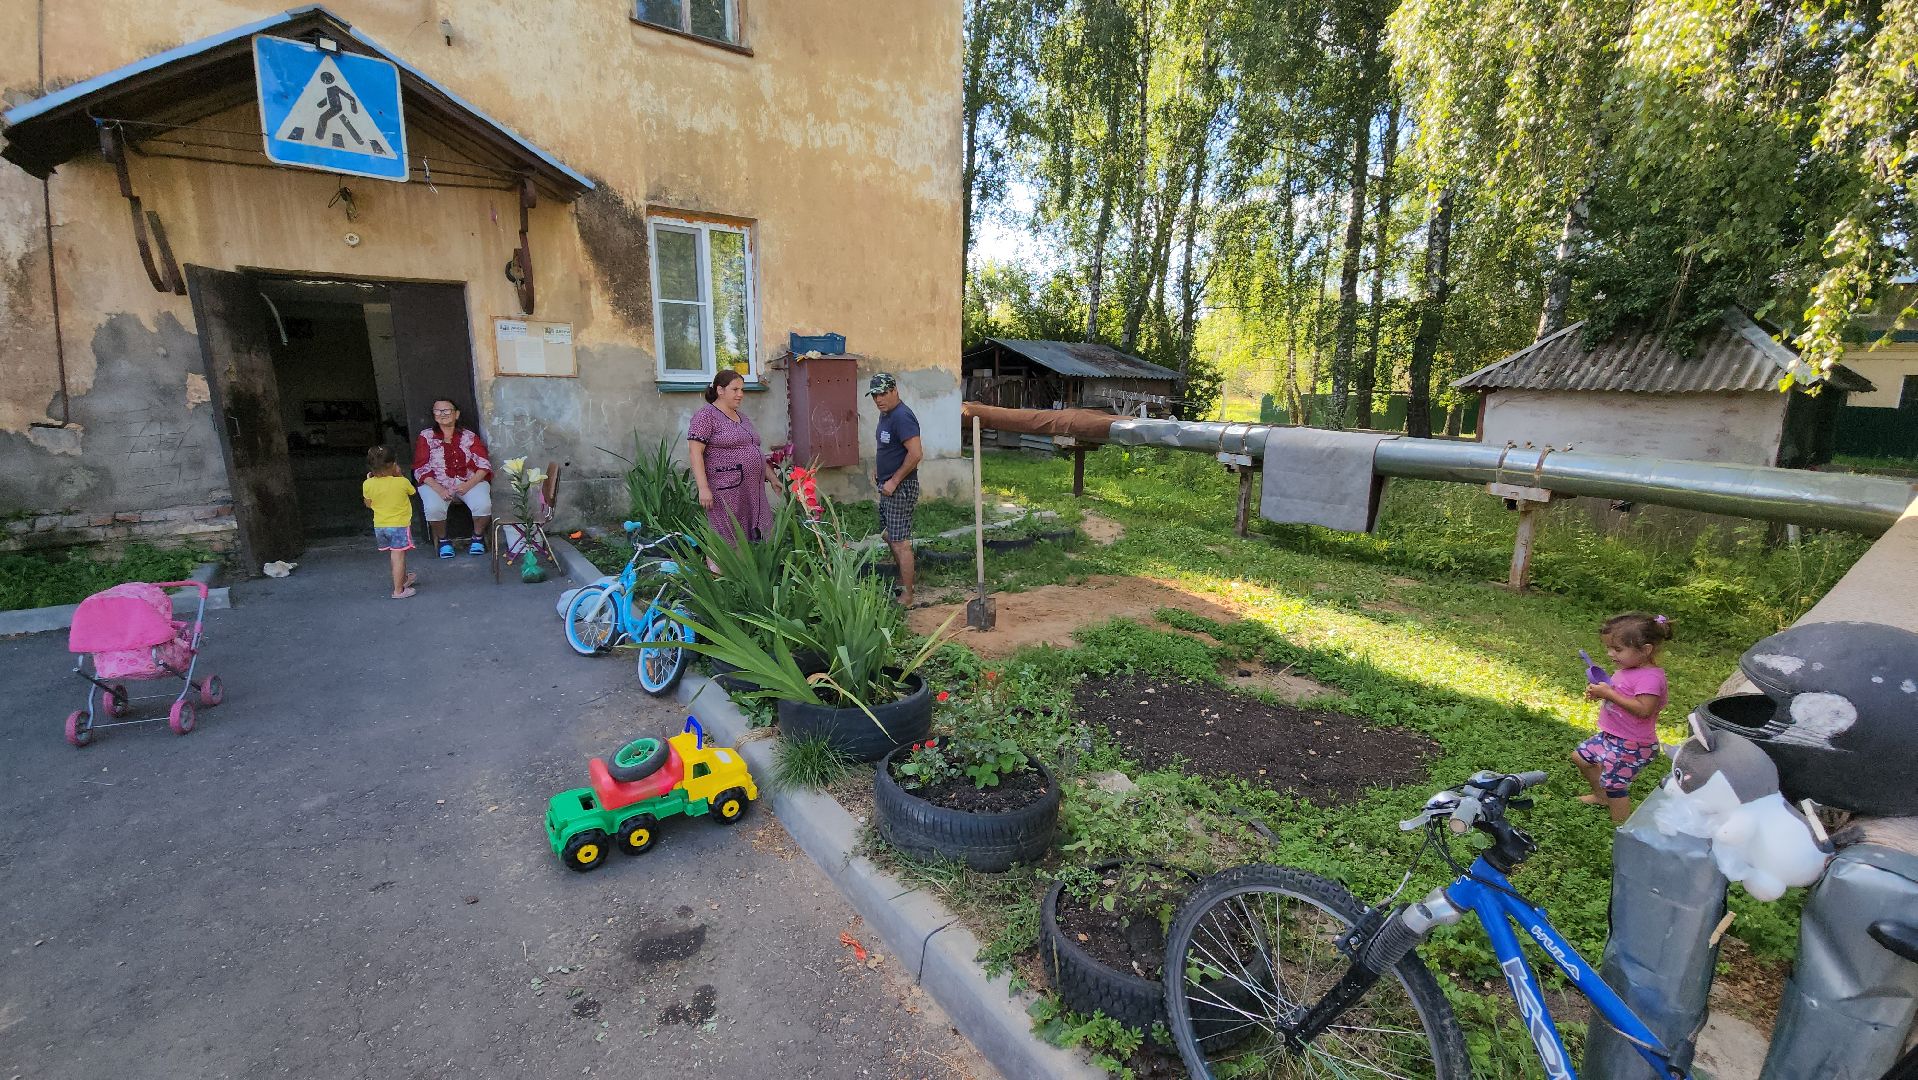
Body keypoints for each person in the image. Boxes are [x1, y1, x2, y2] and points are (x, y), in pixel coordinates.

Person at [1572, 612, 1673, 823]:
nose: (1610, 654)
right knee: (1580, 757)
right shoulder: (1626, 670)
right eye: (1609, 647)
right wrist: (1601, 692)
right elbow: (1619, 694)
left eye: (1617, 649)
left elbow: (1644, 709)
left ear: (1646, 650)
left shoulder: (1650, 678)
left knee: (1614, 784)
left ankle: (1621, 826)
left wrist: (1609, 694)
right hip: (1612, 736)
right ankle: (1601, 798)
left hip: (1633, 743)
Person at [688, 370, 776, 543]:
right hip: (726, 490)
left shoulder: (742, 417)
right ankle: (719, 570)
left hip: (752, 491)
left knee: (757, 534)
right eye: (735, 390)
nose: (740, 395)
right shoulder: (706, 416)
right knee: (727, 536)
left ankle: (750, 569)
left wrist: (772, 477)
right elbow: (695, 452)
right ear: (720, 390)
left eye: (742, 390)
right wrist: (703, 488)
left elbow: (753, 449)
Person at [412, 399, 493, 559]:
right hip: (436, 482)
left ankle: (477, 537)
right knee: (433, 508)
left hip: (469, 481)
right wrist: (439, 489)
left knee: (483, 505)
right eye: (438, 411)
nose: (442, 414)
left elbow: (484, 464)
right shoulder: (426, 436)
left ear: (456, 414)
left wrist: (468, 485)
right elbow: (420, 467)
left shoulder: (469, 436)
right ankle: (443, 540)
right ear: (434, 415)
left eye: (447, 410)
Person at [868, 373, 923, 607]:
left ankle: (908, 596)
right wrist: (878, 468)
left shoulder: (902, 417)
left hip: (899, 487)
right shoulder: (886, 414)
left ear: (894, 391)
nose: (879, 399)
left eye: (883, 393)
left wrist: (894, 480)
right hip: (887, 484)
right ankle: (903, 579)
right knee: (890, 534)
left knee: (900, 541)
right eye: (875, 395)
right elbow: (887, 446)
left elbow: (916, 454)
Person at [362, 446, 419, 599]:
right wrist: (399, 475)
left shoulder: (367, 484)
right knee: (398, 556)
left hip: (380, 526)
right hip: (399, 526)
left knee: (397, 554)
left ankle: (404, 579)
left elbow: (368, 504)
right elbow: (413, 492)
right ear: (393, 464)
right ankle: (398, 591)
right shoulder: (401, 482)